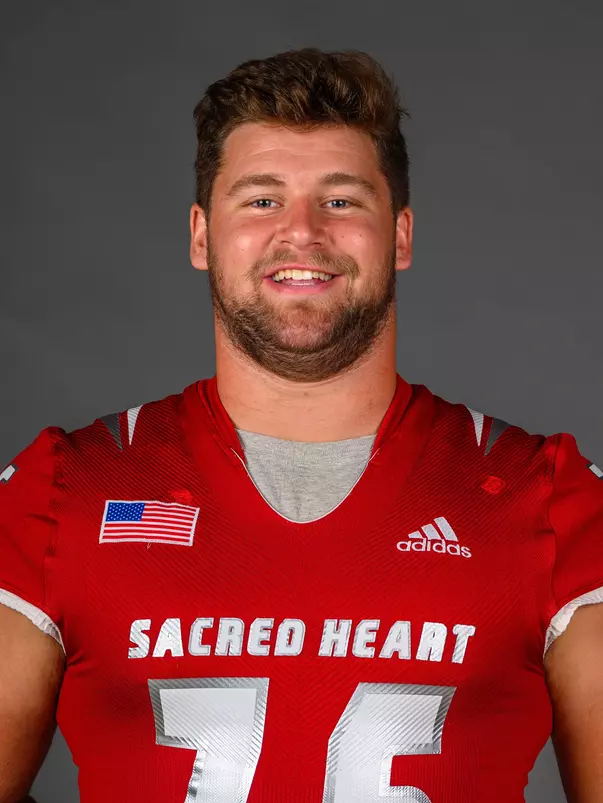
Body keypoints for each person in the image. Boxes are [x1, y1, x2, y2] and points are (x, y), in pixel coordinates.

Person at [0, 46, 602, 803]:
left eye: (342, 200)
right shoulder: (63, 488)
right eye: (260, 200)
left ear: (402, 235)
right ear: (199, 235)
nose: (302, 232)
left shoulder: (549, 496)